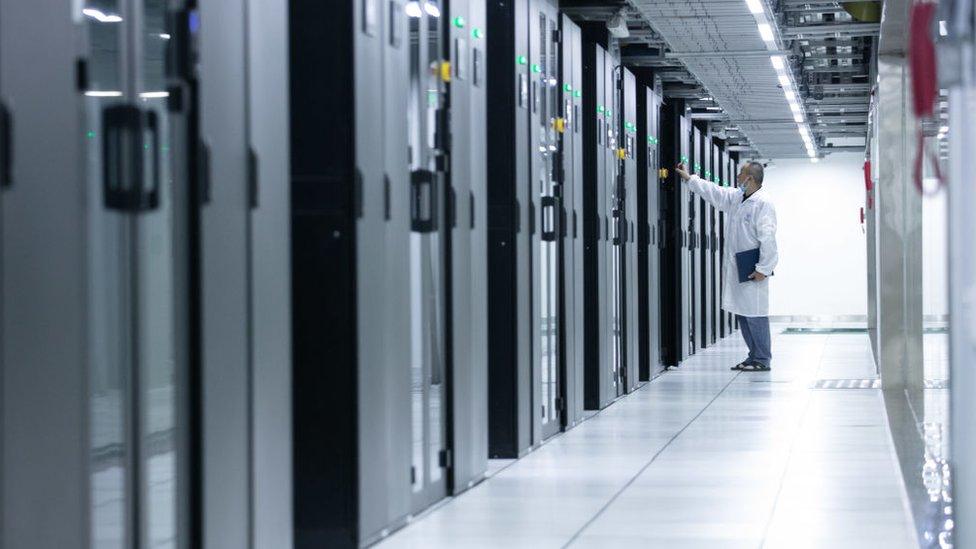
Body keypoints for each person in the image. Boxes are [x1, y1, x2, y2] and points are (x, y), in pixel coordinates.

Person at [675, 161, 778, 372]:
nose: (738, 176)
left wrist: (763, 268)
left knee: (755, 313)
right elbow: (715, 192)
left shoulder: (763, 203)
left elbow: (768, 238)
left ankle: (762, 358)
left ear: (750, 178)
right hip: (739, 265)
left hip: (753, 267)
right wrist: (690, 179)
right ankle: (753, 356)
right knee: (742, 311)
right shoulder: (738, 198)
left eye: (741, 173)